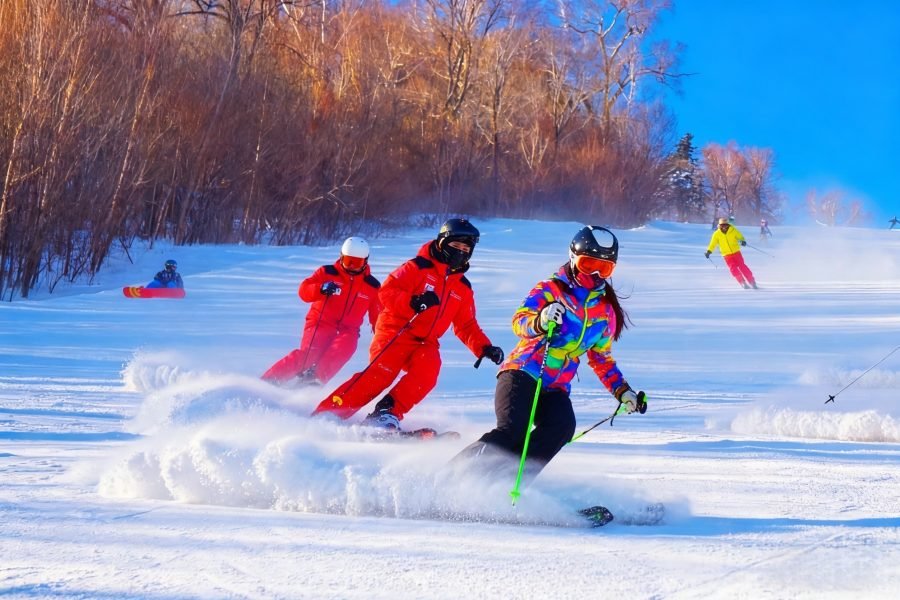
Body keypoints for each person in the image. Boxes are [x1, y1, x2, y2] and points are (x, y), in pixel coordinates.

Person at [449, 225, 646, 486]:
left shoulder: (605, 311)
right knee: (512, 432)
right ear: (574, 259)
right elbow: (520, 321)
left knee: (562, 426)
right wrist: (540, 320)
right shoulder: (551, 289)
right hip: (523, 372)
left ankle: (508, 484)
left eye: (605, 268)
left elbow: (601, 358)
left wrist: (623, 391)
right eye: (589, 264)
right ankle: (447, 479)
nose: (596, 274)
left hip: (554, 387)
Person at [311, 218, 504, 429]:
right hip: (397, 330)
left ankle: (386, 412)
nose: (460, 252)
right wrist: (413, 302)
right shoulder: (417, 268)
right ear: (441, 244)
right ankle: (328, 414)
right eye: (455, 246)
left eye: (466, 248)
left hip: (426, 341)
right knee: (381, 375)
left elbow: (466, 324)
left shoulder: (462, 288)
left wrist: (484, 347)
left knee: (428, 371)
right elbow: (386, 291)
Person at [262, 237, 381, 386]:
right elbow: (304, 291)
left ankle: (312, 382)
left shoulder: (372, 286)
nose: (351, 266)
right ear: (341, 256)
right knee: (309, 355)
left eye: (357, 263)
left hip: (348, 331)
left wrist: (383, 337)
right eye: (348, 261)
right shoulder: (327, 273)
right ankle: (269, 381)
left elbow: (379, 318)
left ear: (365, 261)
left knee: (345, 348)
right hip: (321, 323)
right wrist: (321, 288)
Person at [705, 217, 757, 289]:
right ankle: (742, 282)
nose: (724, 227)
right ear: (719, 225)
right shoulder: (716, 234)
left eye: (725, 225)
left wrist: (742, 241)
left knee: (742, 266)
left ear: (728, 224)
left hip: (736, 252)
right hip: (727, 254)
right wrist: (709, 251)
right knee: (733, 268)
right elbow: (713, 244)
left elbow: (740, 236)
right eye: (722, 225)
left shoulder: (733, 230)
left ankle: (752, 281)